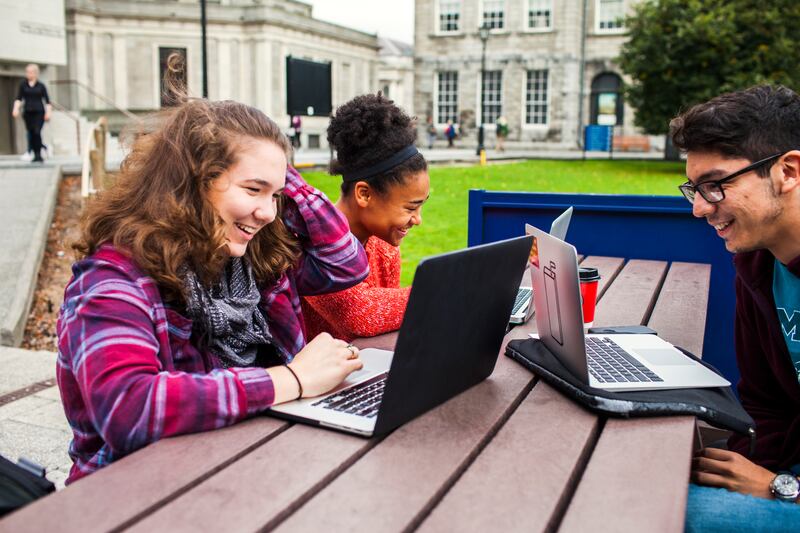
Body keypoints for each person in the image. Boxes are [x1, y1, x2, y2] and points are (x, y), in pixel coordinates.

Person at [56, 56, 369, 484]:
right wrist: (291, 379)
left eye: (275, 196)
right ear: (192, 182)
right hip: (139, 491)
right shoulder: (113, 279)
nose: (267, 212)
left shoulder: (251, 261)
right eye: (253, 189)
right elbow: (130, 409)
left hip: (247, 464)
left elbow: (346, 264)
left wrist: (275, 168)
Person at [670, 85, 800, 529]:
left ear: (788, 171)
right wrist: (738, 470)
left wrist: (780, 488)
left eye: (715, 185)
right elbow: (766, 405)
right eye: (694, 189)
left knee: (660, 510)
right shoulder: (759, 267)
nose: (699, 209)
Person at [301, 93, 430, 341]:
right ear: (364, 194)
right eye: (410, 208)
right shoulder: (314, 242)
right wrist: (443, 292)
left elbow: (386, 328)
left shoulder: (385, 247)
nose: (417, 219)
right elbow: (360, 314)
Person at [12, 64, 51, 163]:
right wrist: (16, 109)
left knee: (37, 132)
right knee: (31, 133)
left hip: (39, 112)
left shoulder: (41, 86)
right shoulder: (23, 85)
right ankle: (39, 151)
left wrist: (48, 113)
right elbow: (19, 98)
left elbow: (47, 101)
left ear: (36, 73)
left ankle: (38, 154)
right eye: (27, 72)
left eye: (31, 72)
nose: (28, 74)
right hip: (28, 112)